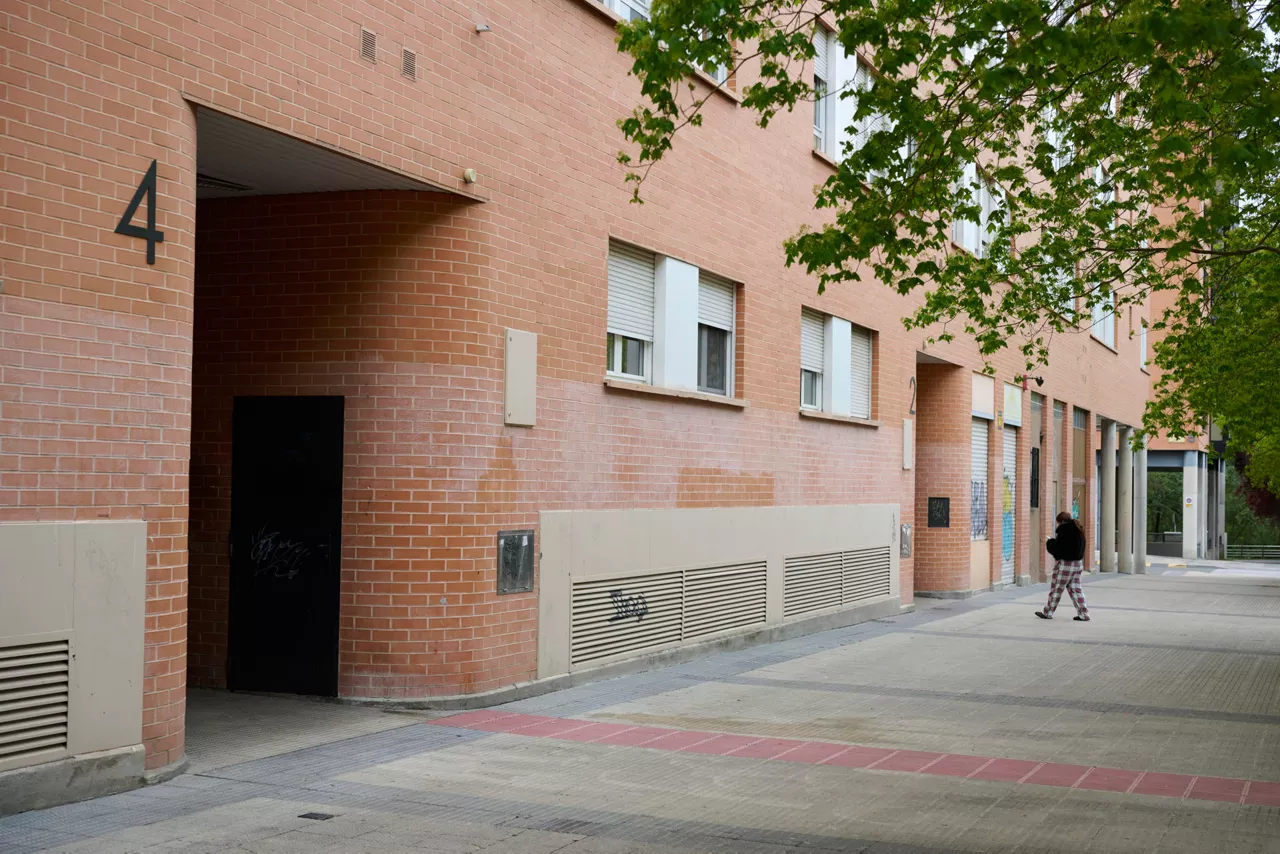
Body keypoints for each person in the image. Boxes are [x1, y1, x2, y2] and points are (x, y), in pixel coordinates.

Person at [1036, 511, 1090, 621]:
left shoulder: (1064, 531)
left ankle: (1048, 612)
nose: (1058, 525)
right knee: (1076, 589)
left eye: (1058, 523)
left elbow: (1058, 549)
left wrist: (1050, 542)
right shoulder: (1078, 529)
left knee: (1056, 589)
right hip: (1077, 564)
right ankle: (1084, 614)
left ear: (1061, 521)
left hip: (1065, 564)